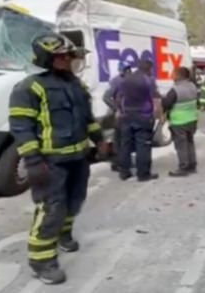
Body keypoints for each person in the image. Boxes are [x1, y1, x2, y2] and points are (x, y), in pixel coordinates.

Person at [9, 33, 108, 285]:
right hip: (50, 163)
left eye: (69, 55)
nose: (69, 60)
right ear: (47, 58)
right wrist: (33, 161)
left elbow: (87, 120)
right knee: (52, 210)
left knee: (74, 202)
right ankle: (41, 261)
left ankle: (63, 236)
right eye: (62, 56)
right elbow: (22, 128)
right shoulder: (29, 88)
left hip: (78, 158)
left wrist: (101, 142)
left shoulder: (76, 85)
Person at [115, 58, 161, 181]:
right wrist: (157, 115)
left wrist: (121, 111)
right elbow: (155, 100)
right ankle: (143, 174)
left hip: (126, 117)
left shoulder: (125, 80)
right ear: (149, 68)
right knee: (143, 146)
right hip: (143, 116)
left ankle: (124, 172)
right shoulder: (148, 80)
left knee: (125, 145)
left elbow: (118, 99)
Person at [162, 66, 199, 176]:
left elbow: (166, 103)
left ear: (178, 75)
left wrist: (162, 99)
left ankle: (183, 167)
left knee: (181, 145)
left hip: (179, 121)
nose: (171, 75)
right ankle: (192, 165)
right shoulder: (192, 86)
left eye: (173, 73)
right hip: (192, 119)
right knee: (190, 142)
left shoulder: (175, 90)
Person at [103, 62, 132, 172]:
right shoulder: (117, 81)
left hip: (127, 113)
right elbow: (106, 97)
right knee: (120, 140)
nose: (128, 71)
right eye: (126, 69)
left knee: (122, 140)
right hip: (120, 114)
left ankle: (121, 162)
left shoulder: (128, 80)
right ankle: (119, 163)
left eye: (129, 69)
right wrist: (117, 108)